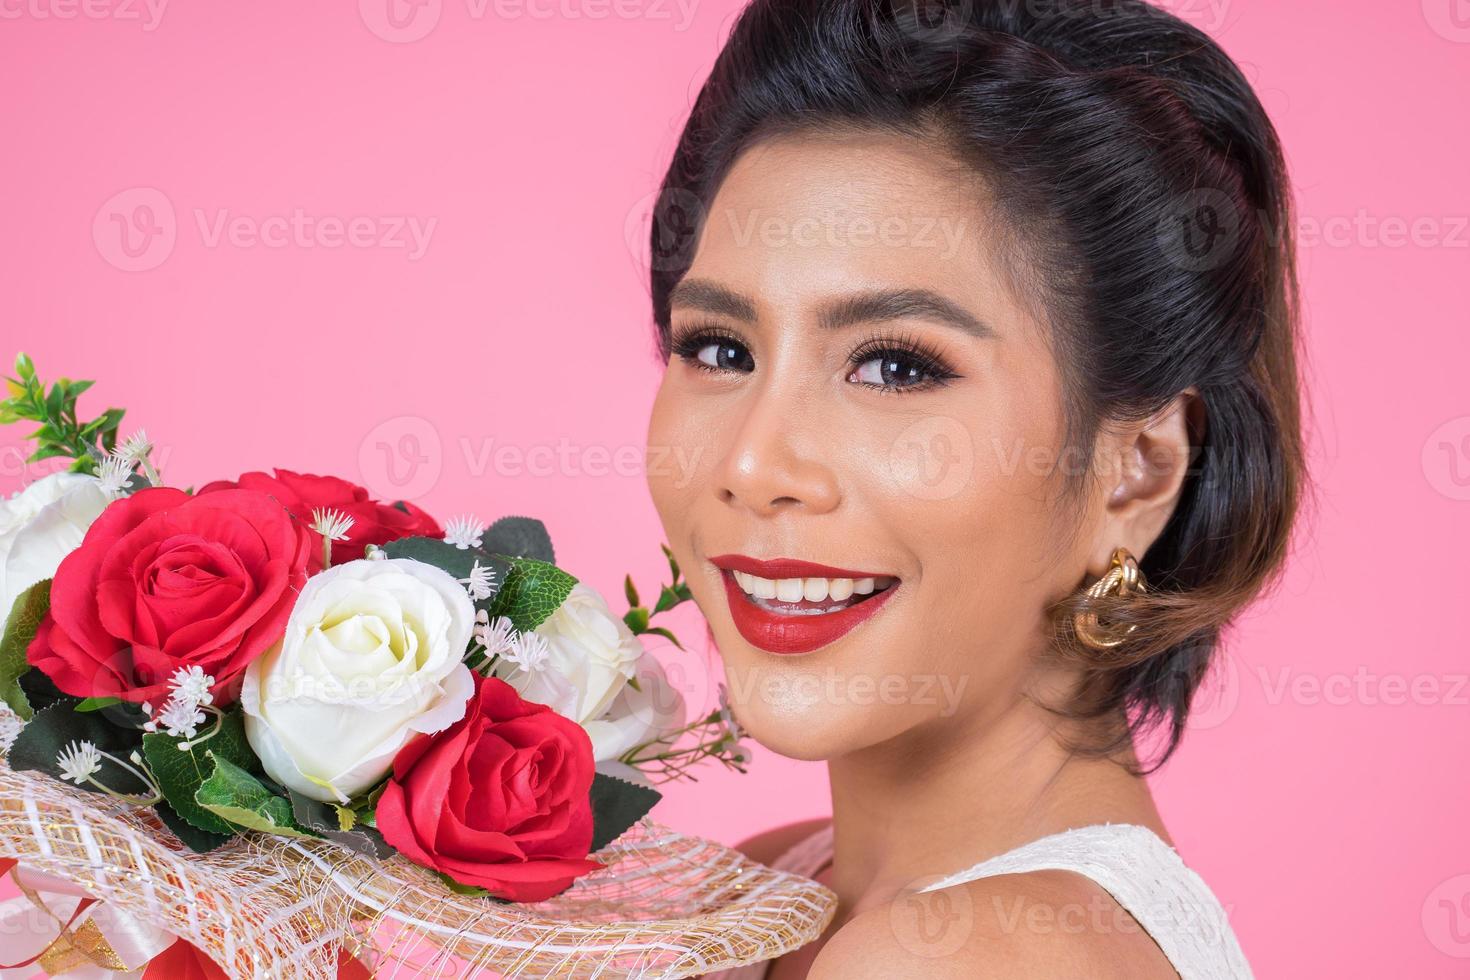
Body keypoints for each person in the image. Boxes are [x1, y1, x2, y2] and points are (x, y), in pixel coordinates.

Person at [643, 0, 1303, 976]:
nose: (752, 463)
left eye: (897, 366)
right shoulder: (779, 889)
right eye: (719, 346)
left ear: (1140, 468)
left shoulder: (962, 955)